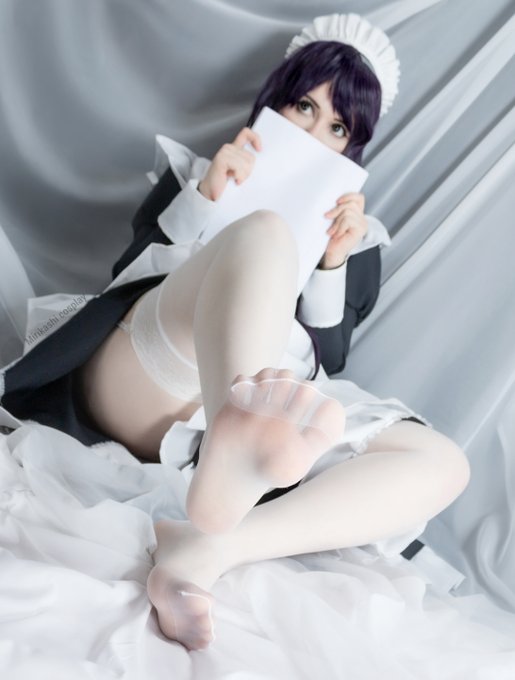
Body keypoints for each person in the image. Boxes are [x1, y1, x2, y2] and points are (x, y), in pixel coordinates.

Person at [0, 14, 470, 651]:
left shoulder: (357, 239)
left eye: (338, 127)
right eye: (305, 107)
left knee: (443, 463)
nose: (314, 132)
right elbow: (124, 279)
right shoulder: (199, 173)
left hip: (269, 392)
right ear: (276, 101)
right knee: (265, 234)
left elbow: (330, 355)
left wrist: (332, 262)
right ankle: (237, 430)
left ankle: (210, 547)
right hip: (155, 367)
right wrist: (202, 197)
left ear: (353, 146)